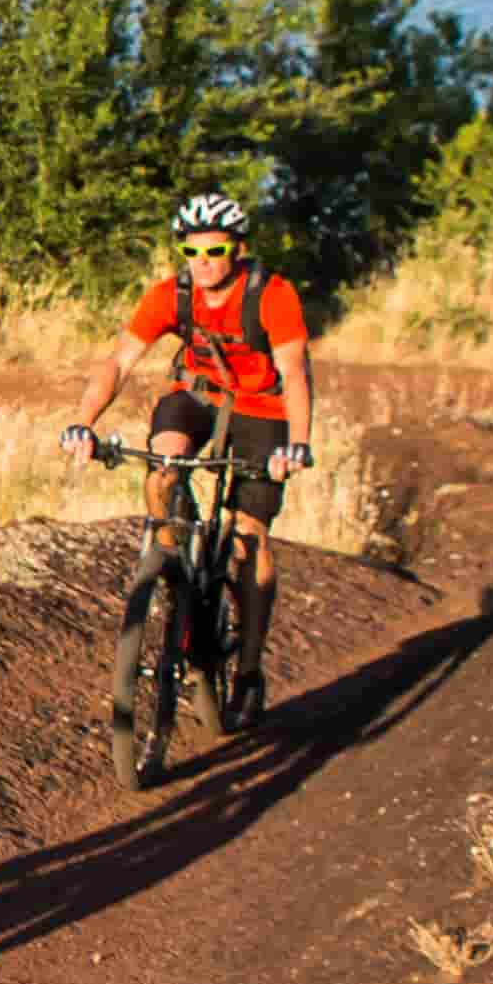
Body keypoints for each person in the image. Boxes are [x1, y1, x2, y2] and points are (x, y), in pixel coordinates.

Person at [58, 191, 320, 699]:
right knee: (163, 464)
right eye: (192, 252)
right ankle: (172, 559)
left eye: (214, 252)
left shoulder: (271, 294)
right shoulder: (171, 294)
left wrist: (298, 446)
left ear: (237, 249)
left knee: (248, 535)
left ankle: (246, 669)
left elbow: (295, 373)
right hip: (197, 398)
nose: (202, 263)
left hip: (262, 409)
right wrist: (82, 423)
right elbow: (119, 362)